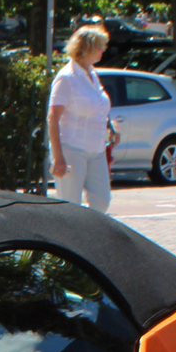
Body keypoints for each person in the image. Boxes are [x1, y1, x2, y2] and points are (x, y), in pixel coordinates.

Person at [45, 24, 119, 213]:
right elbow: (52, 118)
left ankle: (89, 238)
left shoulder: (93, 74)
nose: (103, 50)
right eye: (99, 46)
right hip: (72, 149)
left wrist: (111, 126)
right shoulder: (66, 78)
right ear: (86, 47)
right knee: (70, 206)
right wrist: (58, 157)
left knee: (102, 201)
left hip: (97, 149)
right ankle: (67, 241)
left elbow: (98, 106)